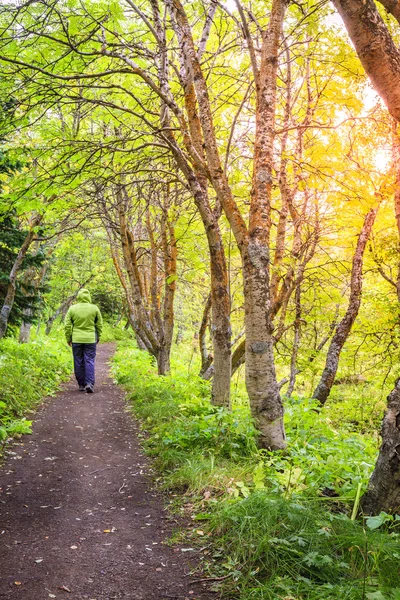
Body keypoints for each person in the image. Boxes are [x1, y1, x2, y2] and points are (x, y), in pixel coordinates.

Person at [64, 288, 103, 393]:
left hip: (76, 339)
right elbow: (99, 324)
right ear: (89, 297)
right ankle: (89, 383)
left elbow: (67, 325)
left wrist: (68, 338)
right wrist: (98, 335)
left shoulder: (72, 309)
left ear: (78, 297)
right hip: (90, 339)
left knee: (78, 361)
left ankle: (81, 384)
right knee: (89, 360)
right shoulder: (94, 308)